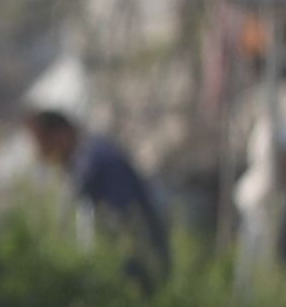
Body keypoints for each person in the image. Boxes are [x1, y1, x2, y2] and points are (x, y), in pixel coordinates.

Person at [18, 98, 172, 281]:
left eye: (43, 144)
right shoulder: (84, 159)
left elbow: (122, 219)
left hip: (137, 261)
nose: (42, 155)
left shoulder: (94, 160)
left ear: (61, 134)